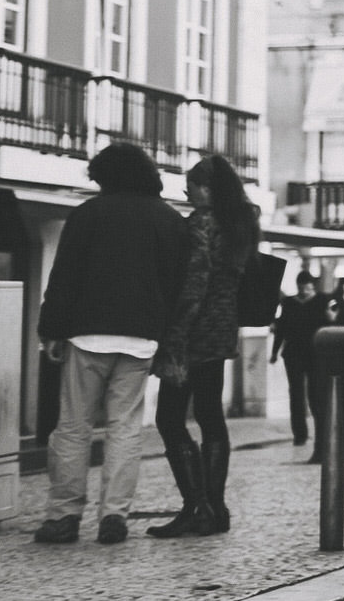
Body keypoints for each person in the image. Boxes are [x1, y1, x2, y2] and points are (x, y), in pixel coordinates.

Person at [35, 142, 191, 544]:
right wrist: (164, 333)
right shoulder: (168, 219)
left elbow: (64, 276)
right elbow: (178, 284)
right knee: (125, 429)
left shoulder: (88, 214)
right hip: (140, 338)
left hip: (87, 333)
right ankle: (114, 516)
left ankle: (64, 515)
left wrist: (51, 330)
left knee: (73, 427)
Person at [147, 156, 260, 537]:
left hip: (193, 333)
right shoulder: (241, 225)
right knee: (211, 415)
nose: (187, 194)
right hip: (222, 331)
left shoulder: (201, 224)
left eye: (191, 187)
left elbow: (194, 284)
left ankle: (196, 507)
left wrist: (174, 337)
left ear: (207, 189)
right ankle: (216, 507)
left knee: (169, 418)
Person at [273, 273, 331, 447]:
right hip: (294, 354)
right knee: (296, 394)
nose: (304, 291)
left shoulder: (323, 301)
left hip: (315, 353)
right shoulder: (289, 303)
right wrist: (275, 351)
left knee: (316, 393)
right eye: (301, 288)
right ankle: (300, 434)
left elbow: (329, 325)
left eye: (307, 288)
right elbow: (281, 328)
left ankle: (321, 432)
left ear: (313, 286)